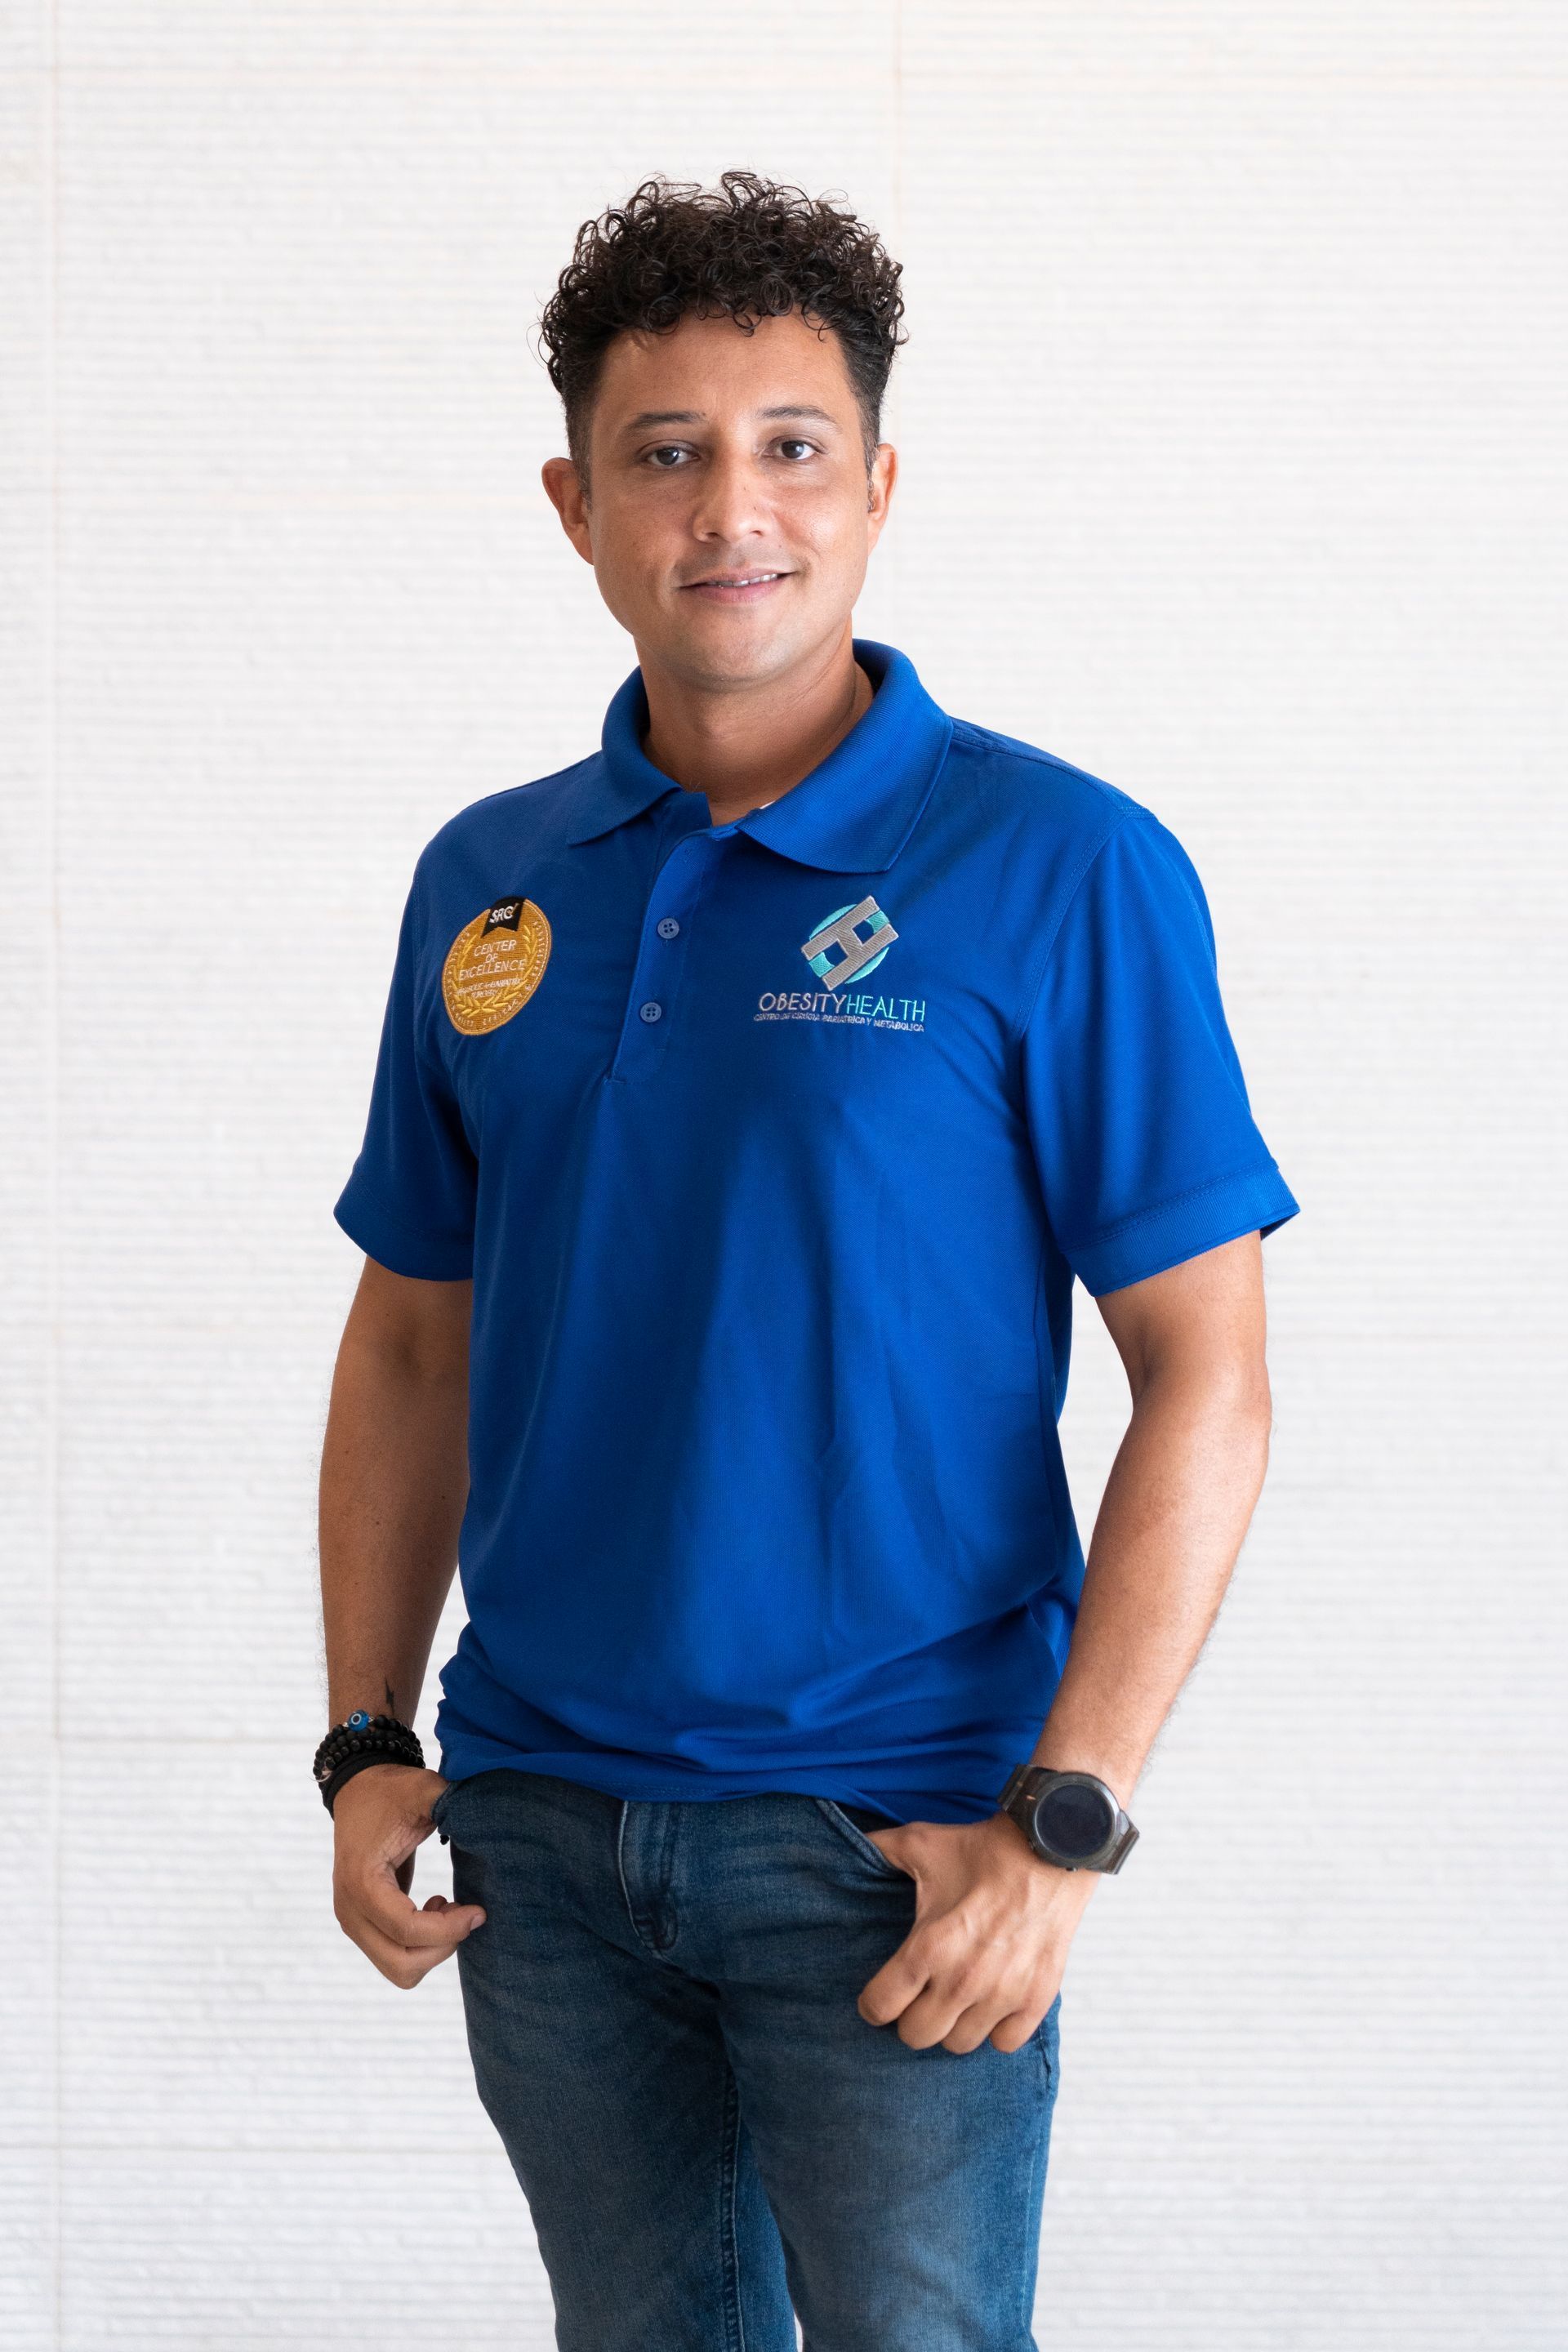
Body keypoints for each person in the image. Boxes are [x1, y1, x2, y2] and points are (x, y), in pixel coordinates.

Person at [315, 170, 1299, 2352]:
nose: (731, 510)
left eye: (790, 447)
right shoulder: (490, 885)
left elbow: (1209, 1375)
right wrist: (365, 1730)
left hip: (896, 1840)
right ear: (576, 505)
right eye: (666, 453)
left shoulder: (1062, 867)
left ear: (877, 485)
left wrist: (1065, 1823)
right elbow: (410, 1344)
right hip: (542, 1829)